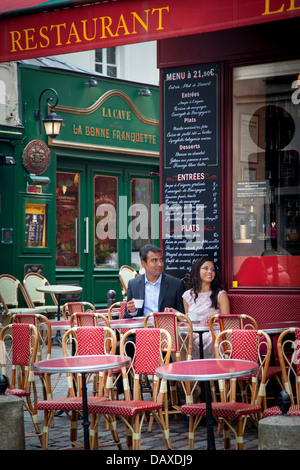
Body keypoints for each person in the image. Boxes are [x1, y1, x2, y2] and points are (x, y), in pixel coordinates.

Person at [182, 256, 230, 358]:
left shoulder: (220, 295)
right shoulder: (187, 295)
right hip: (193, 333)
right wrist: (176, 314)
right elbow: (187, 320)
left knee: (213, 337)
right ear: (197, 271)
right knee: (179, 336)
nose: (210, 272)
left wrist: (217, 317)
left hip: (212, 334)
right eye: (205, 268)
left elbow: (227, 321)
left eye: (212, 270)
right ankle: (183, 369)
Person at [124, 244, 185, 319]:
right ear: (143, 263)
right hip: (142, 329)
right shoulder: (133, 284)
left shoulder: (176, 284)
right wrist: (132, 311)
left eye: (161, 260)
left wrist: (174, 313)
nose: (160, 264)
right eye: (154, 260)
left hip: (165, 329)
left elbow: (183, 316)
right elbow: (126, 317)